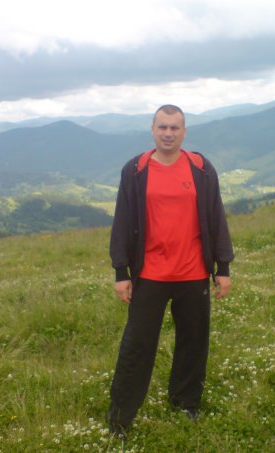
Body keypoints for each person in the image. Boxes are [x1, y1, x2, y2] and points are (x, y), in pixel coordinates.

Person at [107, 104, 234, 437]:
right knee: (137, 346)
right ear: (152, 130)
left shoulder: (201, 168)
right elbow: (123, 220)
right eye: (162, 127)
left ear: (184, 132)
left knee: (193, 342)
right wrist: (121, 271)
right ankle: (120, 417)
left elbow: (216, 216)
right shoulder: (135, 169)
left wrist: (222, 267)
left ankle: (186, 403)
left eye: (174, 128)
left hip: (194, 273)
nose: (168, 133)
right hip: (150, 274)